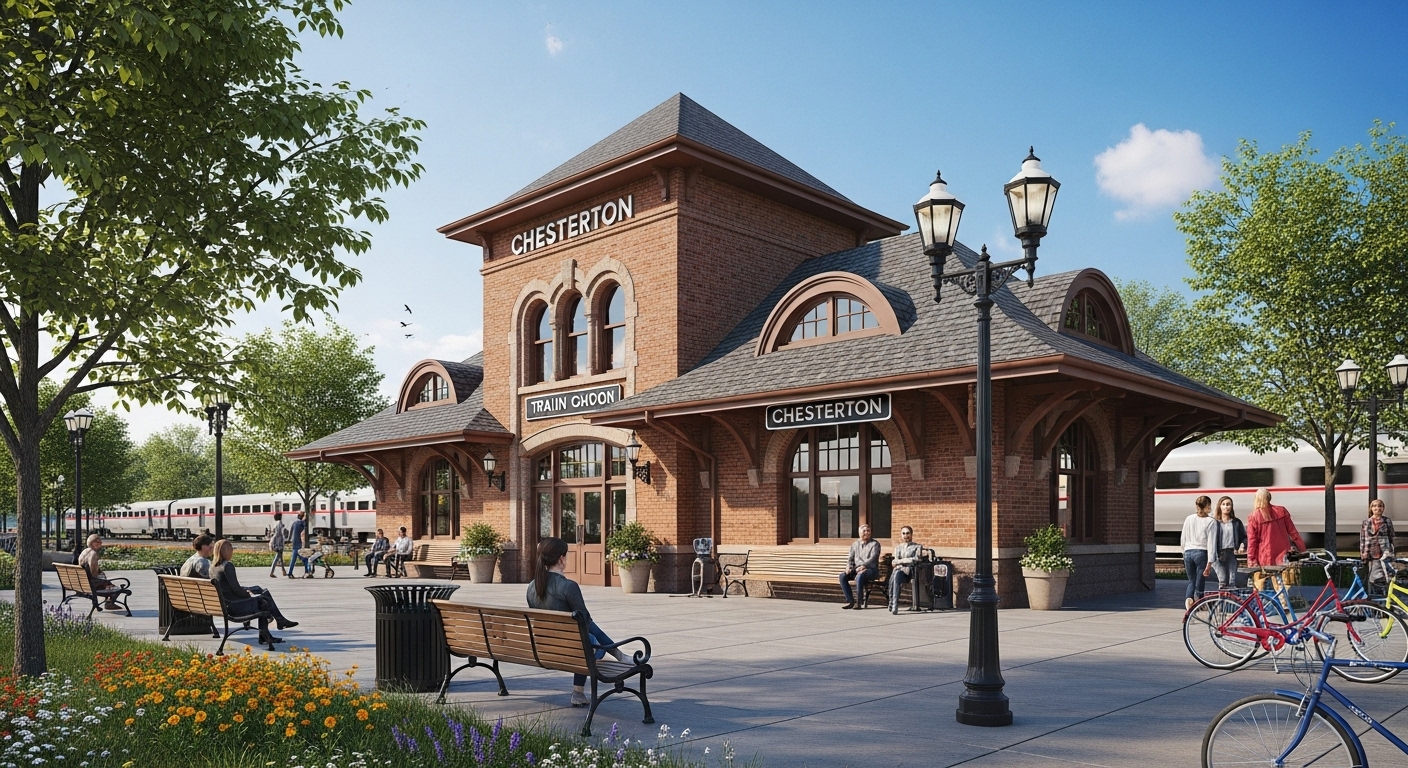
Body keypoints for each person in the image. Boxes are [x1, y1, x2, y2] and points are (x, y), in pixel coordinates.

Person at [526, 537, 626, 707]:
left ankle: (616, 655)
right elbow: (586, 622)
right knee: (586, 637)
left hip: (545, 649)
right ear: (562, 559)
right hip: (574, 651)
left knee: (581, 636)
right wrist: (610, 647)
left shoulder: (532, 587)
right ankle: (616, 654)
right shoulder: (568, 586)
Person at [210, 539, 298, 646]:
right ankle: (273, 627)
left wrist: (249, 589)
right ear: (225, 551)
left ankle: (277, 623)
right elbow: (237, 590)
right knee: (264, 601)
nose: (232, 551)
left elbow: (228, 587)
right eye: (231, 549)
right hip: (235, 608)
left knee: (261, 591)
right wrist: (247, 594)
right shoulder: (227, 566)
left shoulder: (213, 567)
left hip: (226, 604)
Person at [1246, 488, 1306, 590]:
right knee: (1282, 585)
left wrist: (1251, 560)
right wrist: (1303, 550)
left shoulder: (1253, 517)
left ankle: (1261, 604)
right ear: (1269, 497)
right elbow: (1293, 533)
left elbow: (1252, 541)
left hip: (1265, 557)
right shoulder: (1281, 511)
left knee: (1259, 586)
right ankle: (1283, 604)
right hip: (1283, 555)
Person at [1202, 496, 1247, 591]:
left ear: (1231, 507)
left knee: (1232, 581)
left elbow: (1244, 537)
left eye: (1228, 504)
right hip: (1218, 555)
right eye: (1224, 504)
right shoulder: (1214, 522)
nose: (1226, 507)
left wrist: (1243, 545)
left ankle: (1230, 604)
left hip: (1231, 553)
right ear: (1220, 507)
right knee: (1222, 581)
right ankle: (1221, 604)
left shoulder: (1236, 522)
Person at [1181, 495, 1216, 610]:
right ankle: (1200, 601)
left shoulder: (1188, 518)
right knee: (1200, 580)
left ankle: (1188, 599)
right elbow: (1211, 542)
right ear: (1207, 506)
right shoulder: (1211, 521)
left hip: (1188, 552)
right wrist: (1210, 562)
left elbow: (1183, 538)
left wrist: (1184, 552)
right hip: (1201, 552)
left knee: (1192, 580)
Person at [838, 524, 880, 609]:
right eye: (864, 531)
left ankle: (859, 602)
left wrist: (864, 566)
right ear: (859, 533)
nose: (866, 533)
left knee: (860, 575)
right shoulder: (855, 544)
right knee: (842, 576)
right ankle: (850, 601)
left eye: (868, 531)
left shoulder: (875, 544)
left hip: (871, 570)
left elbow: (873, 558)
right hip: (856, 569)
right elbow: (850, 558)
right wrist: (848, 567)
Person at [1361, 498, 1396, 590]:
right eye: (1375, 506)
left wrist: (1392, 550)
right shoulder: (1366, 522)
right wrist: (1363, 553)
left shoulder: (1387, 521)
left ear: (1383, 508)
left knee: (1387, 574)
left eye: (1380, 506)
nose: (1377, 508)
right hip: (1371, 551)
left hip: (1385, 550)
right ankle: (1372, 595)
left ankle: (1387, 594)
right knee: (1373, 574)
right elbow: (1363, 538)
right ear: (1371, 508)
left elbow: (1392, 536)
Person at [77, 534, 120, 609]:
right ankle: (109, 602)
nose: (101, 544)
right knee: (116, 588)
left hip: (83, 582)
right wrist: (105, 581)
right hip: (92, 585)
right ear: (93, 543)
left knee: (108, 583)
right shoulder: (94, 554)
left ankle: (109, 602)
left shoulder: (84, 552)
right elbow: (93, 573)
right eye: (99, 542)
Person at [888, 526, 923, 615]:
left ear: (911, 534)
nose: (905, 535)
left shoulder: (917, 547)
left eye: (907, 533)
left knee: (895, 573)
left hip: (910, 572)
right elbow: (894, 560)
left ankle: (892, 602)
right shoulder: (898, 547)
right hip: (899, 571)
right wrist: (901, 562)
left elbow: (915, 559)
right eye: (903, 533)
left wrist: (900, 561)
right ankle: (894, 604)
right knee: (896, 574)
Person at [286, 511, 313, 579]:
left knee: (294, 559)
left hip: (294, 543)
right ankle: (308, 572)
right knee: (305, 559)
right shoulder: (302, 523)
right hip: (299, 544)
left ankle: (290, 573)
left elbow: (290, 533)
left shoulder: (294, 523)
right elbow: (306, 532)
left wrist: (289, 540)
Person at [268, 513, 287, 578]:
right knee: (277, 558)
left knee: (280, 557)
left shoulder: (275, 523)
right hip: (279, 544)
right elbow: (279, 534)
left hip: (277, 543)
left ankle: (283, 570)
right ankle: (271, 572)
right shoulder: (280, 524)